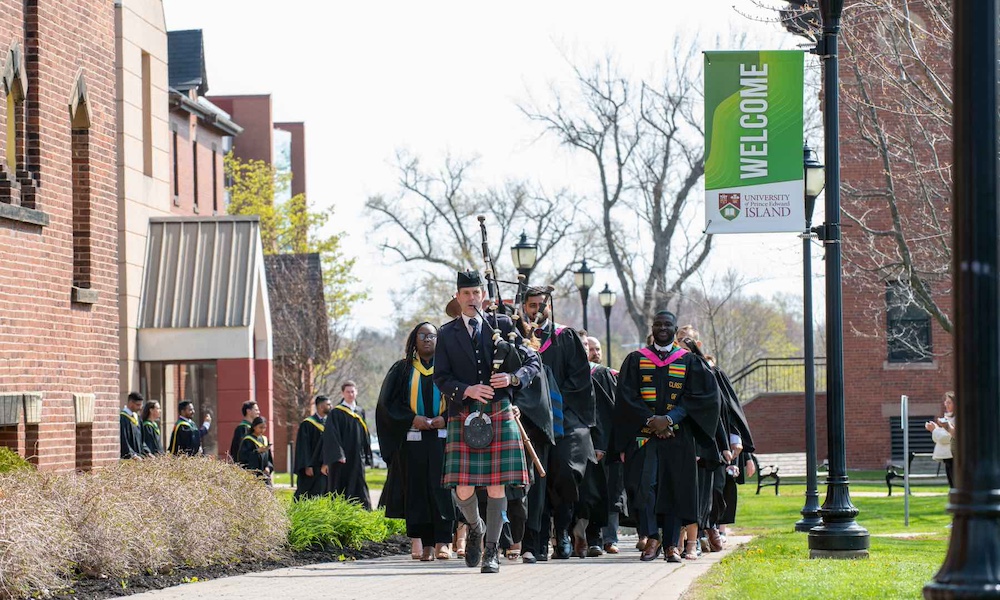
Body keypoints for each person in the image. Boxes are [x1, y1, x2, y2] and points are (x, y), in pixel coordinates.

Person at [435, 270, 540, 574]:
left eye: (475, 293)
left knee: (497, 486)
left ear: (483, 295)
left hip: (498, 409)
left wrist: (513, 378)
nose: (471, 298)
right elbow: (440, 377)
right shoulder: (446, 333)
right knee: (464, 488)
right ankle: (476, 527)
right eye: (465, 294)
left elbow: (533, 361)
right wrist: (466, 389)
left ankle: (491, 550)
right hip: (464, 412)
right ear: (458, 297)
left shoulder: (503, 326)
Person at [612, 310, 720, 563]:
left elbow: (700, 398)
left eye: (667, 324)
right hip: (643, 435)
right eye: (658, 324)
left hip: (678, 435)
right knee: (643, 488)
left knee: (675, 487)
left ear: (674, 328)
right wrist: (652, 420)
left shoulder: (689, 361)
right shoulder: (636, 359)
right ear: (652, 328)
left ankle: (672, 544)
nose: (662, 328)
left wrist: (670, 419)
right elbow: (627, 397)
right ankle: (652, 537)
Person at [517, 289, 596, 561]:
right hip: (531, 418)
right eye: (532, 305)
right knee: (536, 480)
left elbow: (580, 379)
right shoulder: (518, 337)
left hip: (565, 417)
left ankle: (562, 530)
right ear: (524, 307)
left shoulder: (565, 337)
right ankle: (536, 540)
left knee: (565, 472)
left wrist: (553, 398)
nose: (537, 309)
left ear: (550, 307)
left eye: (542, 305)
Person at [376, 322, 456, 561]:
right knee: (418, 491)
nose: (428, 339)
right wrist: (412, 418)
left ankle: (444, 541)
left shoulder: (449, 369)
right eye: (422, 335)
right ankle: (427, 544)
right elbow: (386, 405)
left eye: (432, 335)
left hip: (444, 440)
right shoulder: (402, 370)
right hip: (413, 441)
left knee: (443, 490)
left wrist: (446, 418)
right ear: (414, 339)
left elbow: (463, 399)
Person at [585, 335, 624, 556]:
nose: (595, 352)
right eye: (591, 349)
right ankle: (593, 540)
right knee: (591, 493)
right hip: (585, 442)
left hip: (607, 444)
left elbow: (610, 413)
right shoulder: (580, 374)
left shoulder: (606, 374)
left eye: (598, 348)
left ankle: (610, 538)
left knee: (611, 492)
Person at [322, 381, 373, 509]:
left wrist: (366, 454)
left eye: (352, 391)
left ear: (356, 392)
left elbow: (364, 434)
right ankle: (341, 512)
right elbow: (331, 435)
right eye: (348, 392)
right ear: (342, 393)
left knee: (359, 482)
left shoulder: (359, 411)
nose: (350, 394)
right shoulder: (336, 413)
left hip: (357, 455)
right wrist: (338, 454)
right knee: (341, 484)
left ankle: (363, 511)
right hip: (342, 458)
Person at [294, 395, 333, 500]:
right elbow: (303, 447)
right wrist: (307, 465)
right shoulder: (308, 424)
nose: (331, 406)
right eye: (328, 404)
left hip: (324, 465)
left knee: (323, 492)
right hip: (312, 466)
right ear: (320, 407)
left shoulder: (329, 423)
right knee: (307, 492)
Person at [926, 391, 955, 487]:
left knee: (955, 485)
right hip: (947, 457)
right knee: (952, 485)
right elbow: (941, 436)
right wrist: (936, 429)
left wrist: (934, 430)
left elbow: (947, 437)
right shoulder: (948, 418)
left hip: (953, 456)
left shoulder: (956, 419)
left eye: (949, 402)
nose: (946, 404)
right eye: (946, 402)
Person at [238, 416, 274, 485]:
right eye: (260, 427)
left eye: (264, 428)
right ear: (254, 427)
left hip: (265, 474)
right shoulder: (248, 440)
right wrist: (256, 452)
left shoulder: (265, 440)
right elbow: (243, 457)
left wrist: (268, 467)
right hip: (253, 475)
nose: (262, 430)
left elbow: (269, 459)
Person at [120, 392, 145, 459]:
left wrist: (147, 452)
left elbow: (142, 440)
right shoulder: (123, 418)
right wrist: (132, 455)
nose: (140, 408)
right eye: (138, 405)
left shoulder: (138, 418)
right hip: (129, 460)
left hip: (138, 458)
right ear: (131, 403)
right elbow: (123, 440)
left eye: (141, 405)